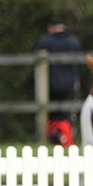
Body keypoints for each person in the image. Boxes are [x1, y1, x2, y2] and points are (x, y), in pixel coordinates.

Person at [33, 18, 82, 146]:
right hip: (69, 85)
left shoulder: (44, 42)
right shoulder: (73, 41)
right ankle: (68, 140)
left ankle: (49, 140)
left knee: (49, 115)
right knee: (68, 115)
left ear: (50, 28)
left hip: (49, 86)